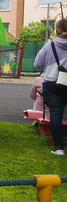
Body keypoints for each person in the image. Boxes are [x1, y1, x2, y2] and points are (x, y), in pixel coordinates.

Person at [34, 18, 67, 155]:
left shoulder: (49, 46)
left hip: (51, 82)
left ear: (57, 31)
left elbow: (37, 64)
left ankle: (59, 147)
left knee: (55, 114)